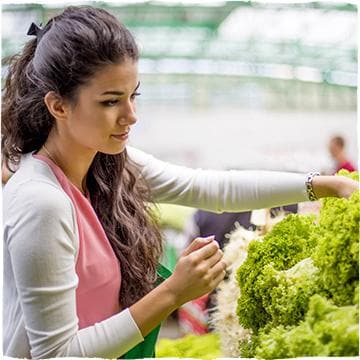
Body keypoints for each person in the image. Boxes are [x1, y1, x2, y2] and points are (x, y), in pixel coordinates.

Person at [2, 6, 358, 359]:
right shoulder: (42, 202)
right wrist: (173, 292)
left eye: (133, 95)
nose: (131, 116)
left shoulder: (107, 164)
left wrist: (326, 185)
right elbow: (56, 354)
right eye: (111, 101)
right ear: (58, 106)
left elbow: (210, 188)